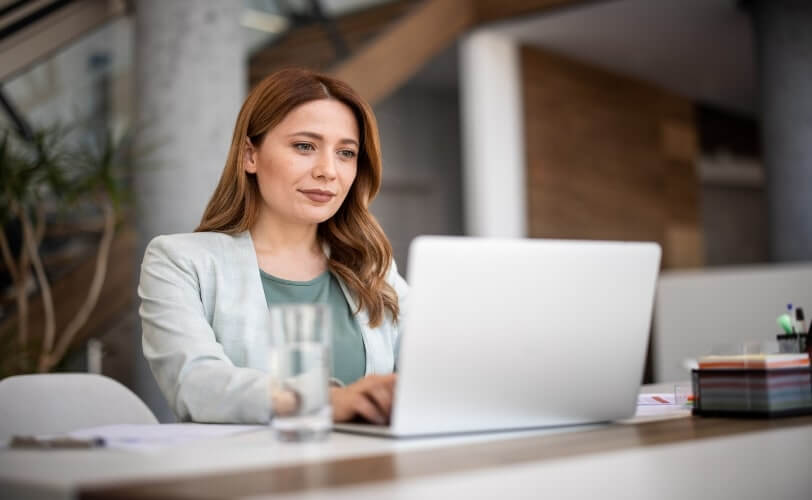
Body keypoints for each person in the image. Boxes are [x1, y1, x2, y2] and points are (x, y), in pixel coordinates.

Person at [138, 68, 407, 425]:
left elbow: (433, 367)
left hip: (370, 458)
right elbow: (195, 383)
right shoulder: (180, 261)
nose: (328, 171)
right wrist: (325, 401)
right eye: (305, 146)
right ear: (250, 155)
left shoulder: (372, 269)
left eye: (346, 153)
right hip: (245, 460)